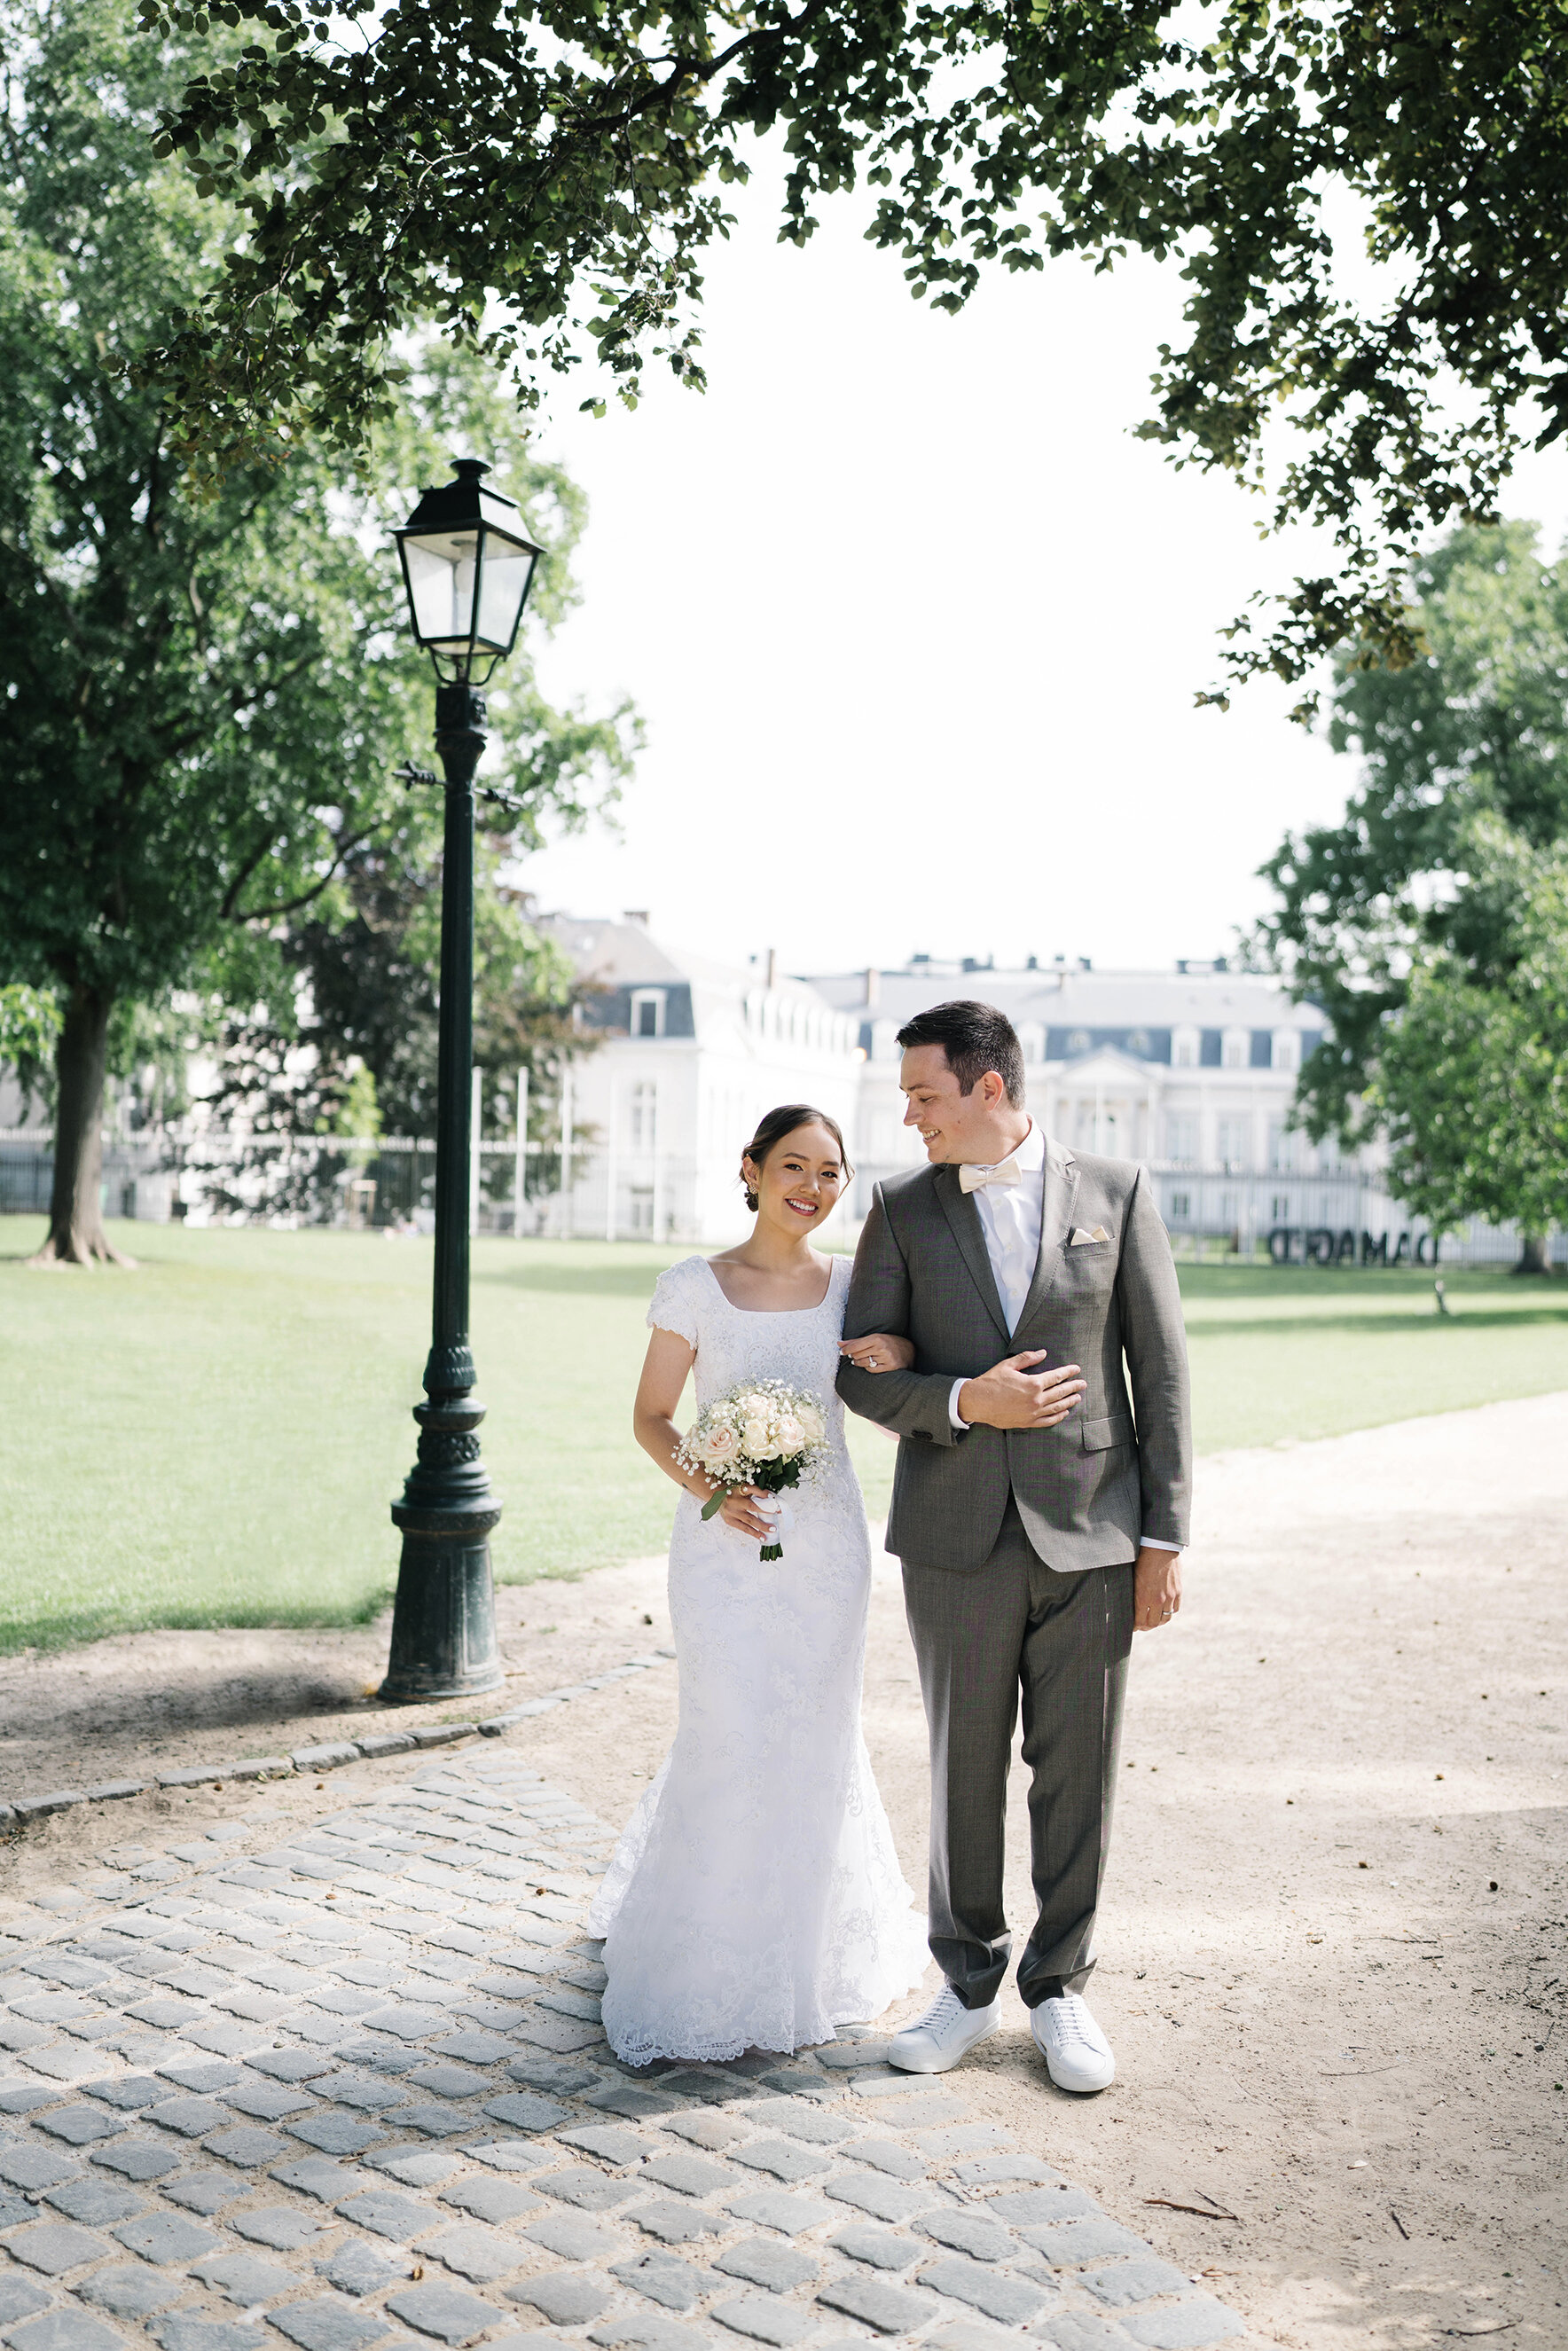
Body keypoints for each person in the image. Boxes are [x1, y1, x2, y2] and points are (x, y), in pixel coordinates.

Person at [835, 1001, 1191, 2094]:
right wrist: (961, 1398)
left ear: (990, 1088)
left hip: (1090, 1531)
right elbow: (858, 1372)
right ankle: (964, 1980)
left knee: (1075, 1771)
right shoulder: (899, 1208)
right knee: (963, 1764)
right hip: (953, 1539)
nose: (908, 1113)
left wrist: (1162, 1534)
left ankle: (1060, 1989)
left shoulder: (1118, 1192)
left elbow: (1161, 1371)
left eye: (925, 1093)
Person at [590, 1103, 929, 2065]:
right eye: (793, 1165)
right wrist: (715, 1482)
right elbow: (654, 1416)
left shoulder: (858, 1286)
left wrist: (898, 1354)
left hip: (825, 1551)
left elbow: (890, 1387)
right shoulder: (694, 1286)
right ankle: (702, 1956)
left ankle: (808, 1957)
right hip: (721, 1552)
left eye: (831, 1172)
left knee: (816, 1734)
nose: (812, 1187)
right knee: (727, 1729)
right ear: (749, 1167)